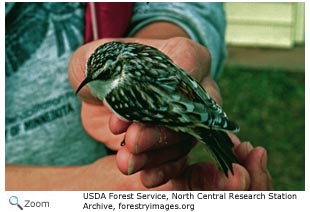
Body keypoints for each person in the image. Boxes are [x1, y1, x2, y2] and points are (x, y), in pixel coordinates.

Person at [6, 2, 272, 190]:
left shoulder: (121, 96)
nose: (93, 82)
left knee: (142, 139)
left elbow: (162, 111)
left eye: (104, 75)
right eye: (91, 75)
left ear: (119, 68)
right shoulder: (125, 69)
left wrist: (173, 39)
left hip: (182, 114)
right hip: (183, 108)